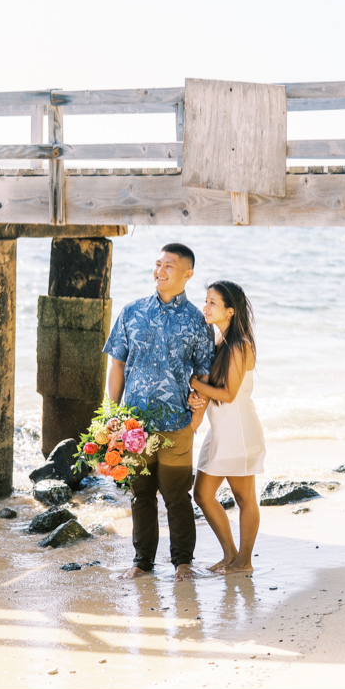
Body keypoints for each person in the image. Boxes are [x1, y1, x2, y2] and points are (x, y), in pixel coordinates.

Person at [103, 243, 214, 582]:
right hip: (134, 425)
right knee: (140, 496)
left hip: (177, 424)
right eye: (157, 264)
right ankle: (142, 563)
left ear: (187, 274)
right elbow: (117, 364)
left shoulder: (197, 320)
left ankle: (183, 564)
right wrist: (112, 414)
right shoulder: (131, 311)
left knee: (177, 497)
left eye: (168, 266)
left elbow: (204, 375)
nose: (160, 271)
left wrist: (196, 418)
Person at [187, 280, 265, 574]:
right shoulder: (221, 342)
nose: (204, 308)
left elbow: (229, 394)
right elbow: (214, 388)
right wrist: (199, 392)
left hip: (239, 432)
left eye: (212, 303)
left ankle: (243, 562)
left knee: (245, 499)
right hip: (220, 431)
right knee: (203, 495)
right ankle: (231, 554)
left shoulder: (240, 345)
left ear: (230, 311)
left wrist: (193, 383)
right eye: (205, 301)